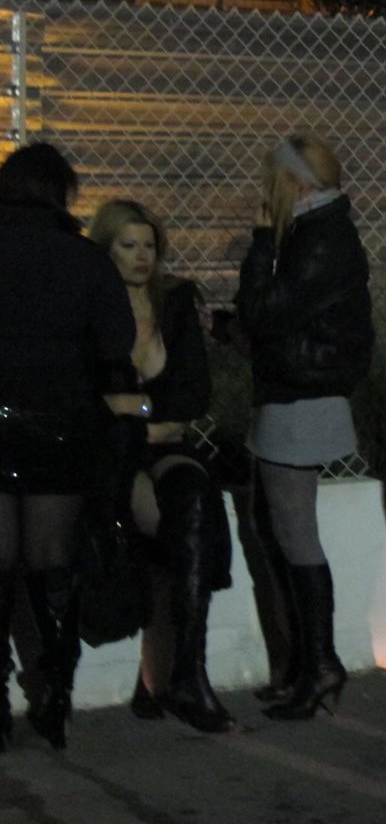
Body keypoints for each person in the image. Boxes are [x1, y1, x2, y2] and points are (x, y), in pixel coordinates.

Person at [0, 144, 136, 749]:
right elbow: (116, 344)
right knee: (51, 559)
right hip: (59, 423)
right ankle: (55, 690)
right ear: (62, 194)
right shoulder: (84, 260)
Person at [235, 131, 373, 719]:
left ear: (293, 184)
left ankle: (319, 664)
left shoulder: (317, 239)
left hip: (300, 398)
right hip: (297, 391)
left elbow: (264, 313)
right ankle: (305, 662)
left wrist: (261, 240)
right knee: (277, 529)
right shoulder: (323, 233)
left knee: (293, 534)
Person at [89, 199, 235, 731]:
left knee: (194, 494)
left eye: (149, 245)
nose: (142, 256)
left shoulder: (174, 303)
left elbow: (193, 396)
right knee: (163, 524)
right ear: (105, 250)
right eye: (128, 246)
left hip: (161, 444)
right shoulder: (90, 306)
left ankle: (188, 673)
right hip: (114, 452)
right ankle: (164, 674)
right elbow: (89, 401)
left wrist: (137, 409)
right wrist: (150, 415)